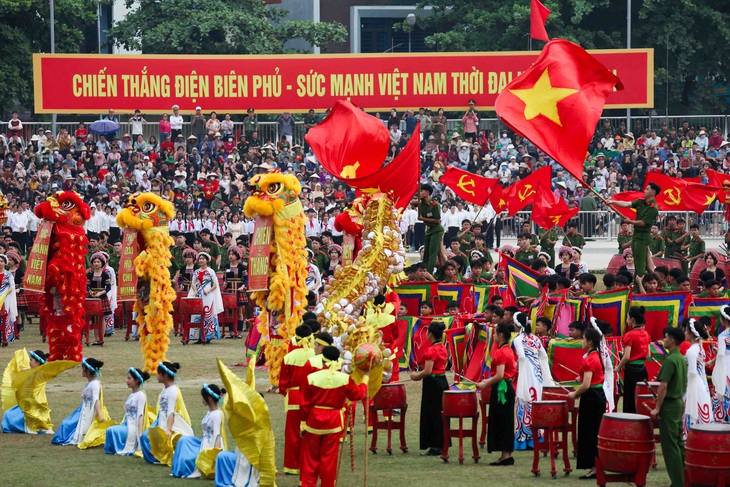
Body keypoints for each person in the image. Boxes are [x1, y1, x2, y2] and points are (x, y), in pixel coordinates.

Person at [299, 346, 368, 487]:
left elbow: (304, 404)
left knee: (310, 460)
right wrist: (365, 379)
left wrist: (303, 424)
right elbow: (358, 394)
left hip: (313, 422)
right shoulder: (344, 379)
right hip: (333, 423)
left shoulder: (311, 378)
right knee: (329, 461)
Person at [2, 349, 76, 434]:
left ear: (37, 362)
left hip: (34, 404)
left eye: (31, 360)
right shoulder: (35, 372)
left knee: (9, 416)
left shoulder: (40, 374)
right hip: (28, 404)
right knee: (8, 414)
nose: (29, 362)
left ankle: (30, 426)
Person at [650, 327, 688, 487]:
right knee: (679, 443)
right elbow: (684, 383)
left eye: (665, 338)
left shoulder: (671, 360)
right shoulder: (681, 358)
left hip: (670, 404)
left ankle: (678, 482)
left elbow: (663, 386)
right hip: (679, 401)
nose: (663, 340)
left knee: (670, 446)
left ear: (672, 340)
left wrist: (657, 407)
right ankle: (685, 479)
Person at [568, 328, 607, 480]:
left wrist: (574, 394)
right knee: (590, 431)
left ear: (590, 341)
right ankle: (594, 466)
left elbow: (586, 385)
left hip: (592, 398)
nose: (582, 341)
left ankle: (594, 468)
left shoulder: (591, 358)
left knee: (591, 433)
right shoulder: (594, 355)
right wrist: (581, 377)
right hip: (594, 396)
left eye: (584, 338)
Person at [512, 312, 554, 450]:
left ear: (517, 324)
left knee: (523, 402)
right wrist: (544, 374)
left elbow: (522, 358)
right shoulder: (535, 338)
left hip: (526, 375)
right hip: (537, 375)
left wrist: (518, 368)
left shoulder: (518, 340)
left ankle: (523, 438)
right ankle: (536, 437)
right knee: (535, 402)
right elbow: (543, 356)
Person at [140, 361, 195, 464]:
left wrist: (168, 430)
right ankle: (157, 457)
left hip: (169, 421)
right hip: (161, 419)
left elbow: (171, 412)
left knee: (146, 437)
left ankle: (159, 458)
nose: (156, 375)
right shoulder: (166, 388)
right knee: (145, 437)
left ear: (165, 375)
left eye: (158, 374)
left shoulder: (173, 391)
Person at [477, 323, 516, 466]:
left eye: (495, 333)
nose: (493, 336)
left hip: (502, 389)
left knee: (502, 421)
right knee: (504, 420)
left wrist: (485, 384)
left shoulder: (501, 352)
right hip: (506, 387)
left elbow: (500, 375)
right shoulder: (508, 350)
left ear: (500, 335)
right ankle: (505, 454)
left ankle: (506, 456)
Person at [278, 324, 315, 475]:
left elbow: (283, 384)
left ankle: (292, 466)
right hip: (312, 398)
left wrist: (286, 392)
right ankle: (309, 464)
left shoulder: (288, 357)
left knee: (292, 434)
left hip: (294, 398)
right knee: (311, 433)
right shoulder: (316, 356)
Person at [409, 321, 448, 456]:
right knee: (440, 412)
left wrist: (416, 376)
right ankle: (441, 443)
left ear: (430, 334)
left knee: (432, 413)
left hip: (433, 384)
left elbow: (427, 371)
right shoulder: (442, 347)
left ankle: (435, 445)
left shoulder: (431, 350)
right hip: (442, 381)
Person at [171, 383, 227, 478]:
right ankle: (178, 468)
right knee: (184, 440)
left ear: (209, 398)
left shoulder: (217, 414)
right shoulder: (210, 413)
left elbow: (217, 435)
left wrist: (215, 453)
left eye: (203, 397)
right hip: (203, 441)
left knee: (187, 456)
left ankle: (187, 467)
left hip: (210, 444)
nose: (202, 399)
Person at [52, 357, 109, 447]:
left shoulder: (94, 384)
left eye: (83, 369)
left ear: (88, 371)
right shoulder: (90, 383)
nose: (81, 371)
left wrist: (100, 416)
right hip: (82, 410)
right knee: (66, 423)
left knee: (66, 424)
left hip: (88, 413)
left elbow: (96, 400)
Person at [609, 182, 660, 281]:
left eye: (647, 189)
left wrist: (630, 222)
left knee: (640, 263)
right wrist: (613, 202)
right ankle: (648, 283)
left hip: (643, 237)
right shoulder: (641, 202)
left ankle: (638, 285)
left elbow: (643, 223)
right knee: (641, 262)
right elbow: (627, 204)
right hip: (636, 235)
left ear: (653, 192)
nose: (644, 191)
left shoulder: (653, 208)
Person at [104, 367, 151, 455]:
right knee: (110, 430)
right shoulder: (132, 395)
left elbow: (141, 414)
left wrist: (140, 433)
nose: (126, 380)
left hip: (133, 427)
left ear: (136, 381)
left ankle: (121, 447)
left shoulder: (141, 395)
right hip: (127, 424)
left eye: (129, 378)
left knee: (111, 430)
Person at [615, 306, 651, 413]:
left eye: (627, 316)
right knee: (640, 397)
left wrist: (618, 367)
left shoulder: (629, 335)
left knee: (629, 398)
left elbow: (626, 356)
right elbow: (648, 355)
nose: (626, 319)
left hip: (631, 371)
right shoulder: (646, 334)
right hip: (642, 370)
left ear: (632, 319)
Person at [683, 318, 712, 433]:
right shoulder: (699, 348)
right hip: (701, 384)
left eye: (686, 331)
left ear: (691, 333)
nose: (684, 332)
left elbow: (692, 373)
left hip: (693, 385)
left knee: (692, 410)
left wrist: (686, 388)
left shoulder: (691, 351)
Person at [188, 251, 224, 343]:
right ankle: (199, 337)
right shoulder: (196, 271)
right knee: (198, 314)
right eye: (200, 259)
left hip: (208, 295)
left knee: (208, 314)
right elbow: (193, 283)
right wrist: (195, 291)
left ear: (207, 260)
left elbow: (215, 284)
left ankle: (208, 336)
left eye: (203, 259)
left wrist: (209, 290)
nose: (201, 260)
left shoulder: (210, 271)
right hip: (199, 295)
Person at [87, 252, 113, 346]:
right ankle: (96, 339)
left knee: (102, 318)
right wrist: (90, 292)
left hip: (102, 297)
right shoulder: (89, 275)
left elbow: (108, 287)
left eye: (98, 262)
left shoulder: (105, 275)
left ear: (102, 263)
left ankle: (101, 339)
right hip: (92, 297)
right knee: (94, 319)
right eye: (94, 262)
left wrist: (100, 293)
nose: (96, 263)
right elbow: (87, 286)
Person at [418, 184, 444, 274]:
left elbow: (437, 220)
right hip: (429, 230)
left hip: (436, 229)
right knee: (426, 253)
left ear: (427, 193)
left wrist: (422, 219)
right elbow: (412, 203)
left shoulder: (435, 205)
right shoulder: (421, 203)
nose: (420, 193)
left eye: (422, 191)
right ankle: (422, 271)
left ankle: (428, 273)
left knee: (433, 253)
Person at [711, 305, 730, 422]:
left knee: (724, 390)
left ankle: (725, 418)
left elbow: (721, 354)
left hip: (726, 366)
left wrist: (713, 360)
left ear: (723, 319)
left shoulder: (723, 336)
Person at [0, 254, 18, 345]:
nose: (0, 263)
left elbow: (12, 287)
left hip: (5, 298)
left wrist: (4, 293)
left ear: (5, 263)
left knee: (5, 317)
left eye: (1, 261)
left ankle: (5, 338)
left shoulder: (8, 275)